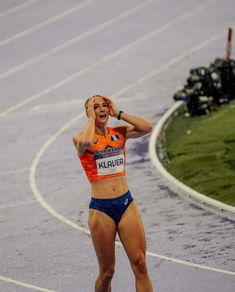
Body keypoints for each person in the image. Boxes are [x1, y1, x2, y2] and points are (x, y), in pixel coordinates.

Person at [73, 95, 153, 292]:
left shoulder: (119, 133)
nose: (101, 110)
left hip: (126, 204)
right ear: (88, 113)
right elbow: (86, 141)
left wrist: (118, 113)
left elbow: (147, 127)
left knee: (140, 263)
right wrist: (92, 118)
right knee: (107, 272)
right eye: (95, 107)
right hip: (101, 211)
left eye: (104, 106)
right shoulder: (80, 138)